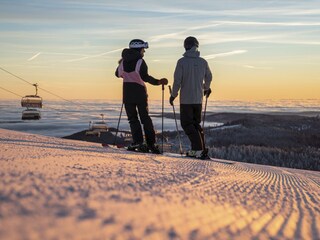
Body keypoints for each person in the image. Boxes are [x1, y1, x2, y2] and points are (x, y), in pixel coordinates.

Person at [115, 39, 168, 154]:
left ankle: (138, 142)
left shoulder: (123, 62)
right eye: (143, 50)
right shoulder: (140, 62)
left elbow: (117, 74)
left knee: (133, 119)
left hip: (127, 94)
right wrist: (158, 82)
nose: (144, 52)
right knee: (145, 118)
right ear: (139, 49)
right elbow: (145, 77)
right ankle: (151, 144)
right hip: (140, 93)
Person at [169, 36, 212, 159]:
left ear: (185, 46)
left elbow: (177, 81)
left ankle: (197, 150)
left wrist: (173, 95)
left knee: (187, 124)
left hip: (186, 100)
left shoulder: (181, 62)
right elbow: (209, 77)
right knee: (196, 124)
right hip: (198, 99)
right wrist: (206, 88)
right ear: (196, 46)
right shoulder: (203, 62)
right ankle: (201, 149)